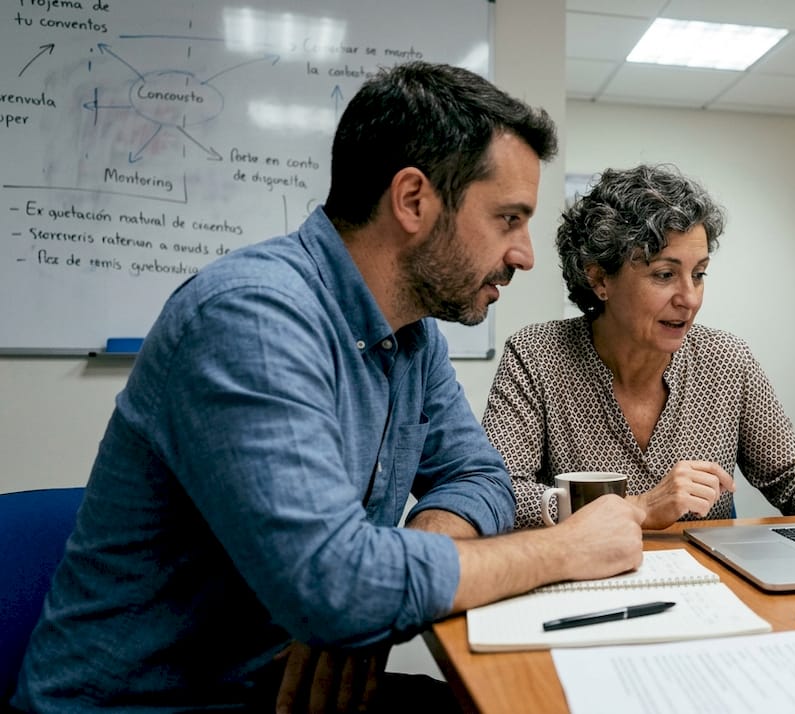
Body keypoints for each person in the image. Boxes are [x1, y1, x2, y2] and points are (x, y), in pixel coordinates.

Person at [12, 62, 644, 713]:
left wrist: (392, 577)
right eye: (508, 218)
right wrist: (565, 549)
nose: (525, 254)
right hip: (148, 704)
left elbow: (477, 474)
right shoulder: (249, 316)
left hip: (287, 679)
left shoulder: (412, 337)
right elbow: (336, 587)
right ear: (413, 201)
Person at [482, 164, 795, 531]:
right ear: (600, 279)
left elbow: (792, 475)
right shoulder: (536, 355)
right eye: (665, 274)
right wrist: (638, 506)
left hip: (707, 586)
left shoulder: (726, 360)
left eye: (699, 274)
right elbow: (497, 494)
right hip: (584, 581)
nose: (689, 298)